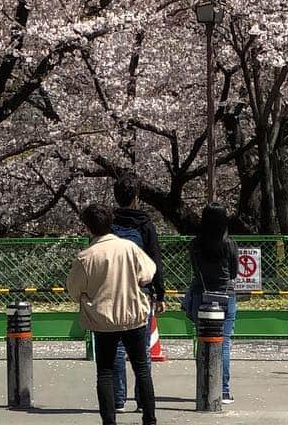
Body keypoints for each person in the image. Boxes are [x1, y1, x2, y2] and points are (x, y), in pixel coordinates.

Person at [67, 202, 157, 425]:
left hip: (103, 320)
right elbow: (148, 274)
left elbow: (73, 290)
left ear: (88, 227)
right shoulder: (129, 247)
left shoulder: (86, 256)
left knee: (105, 372)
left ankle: (109, 420)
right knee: (141, 368)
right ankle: (150, 418)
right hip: (133, 315)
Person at [111, 175, 165, 414]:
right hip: (141, 292)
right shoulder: (145, 224)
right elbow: (155, 260)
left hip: (112, 292)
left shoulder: (108, 224)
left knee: (117, 348)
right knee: (141, 349)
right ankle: (144, 400)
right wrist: (160, 294)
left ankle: (118, 399)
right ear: (136, 198)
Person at [186, 202, 238, 404]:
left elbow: (194, 269)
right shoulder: (230, 244)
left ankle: (205, 387)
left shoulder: (195, 245)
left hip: (203, 294)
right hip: (226, 295)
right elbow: (233, 272)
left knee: (204, 341)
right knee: (223, 343)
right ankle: (223, 391)